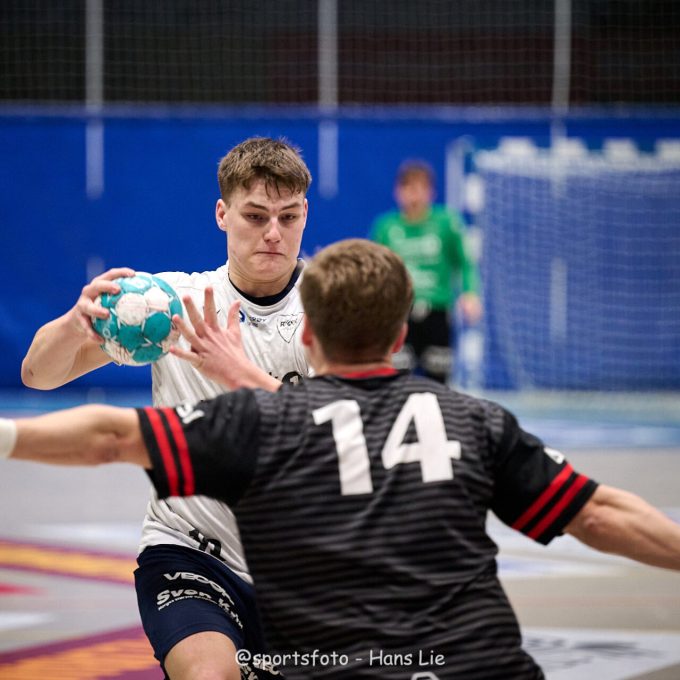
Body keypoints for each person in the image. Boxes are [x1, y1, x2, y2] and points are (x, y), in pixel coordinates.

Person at [8, 238, 680, 680]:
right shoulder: (475, 421)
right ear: (400, 334)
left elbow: (109, 436)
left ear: (307, 333)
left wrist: (9, 436)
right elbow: (600, 514)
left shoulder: (270, 424)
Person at [20, 136, 312, 679]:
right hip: (190, 552)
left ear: (305, 215)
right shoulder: (170, 305)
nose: (273, 233)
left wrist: (241, 375)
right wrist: (74, 324)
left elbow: (347, 433)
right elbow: (38, 374)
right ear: (222, 214)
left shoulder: (333, 310)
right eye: (255, 216)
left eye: (287, 217)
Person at [370, 160, 482, 384]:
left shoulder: (447, 223)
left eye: (421, 188)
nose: (415, 195)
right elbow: (375, 270)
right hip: (400, 314)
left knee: (437, 381)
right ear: (398, 192)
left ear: (431, 192)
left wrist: (470, 293)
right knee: (396, 382)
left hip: (437, 313)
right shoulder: (386, 227)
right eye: (409, 188)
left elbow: (465, 262)